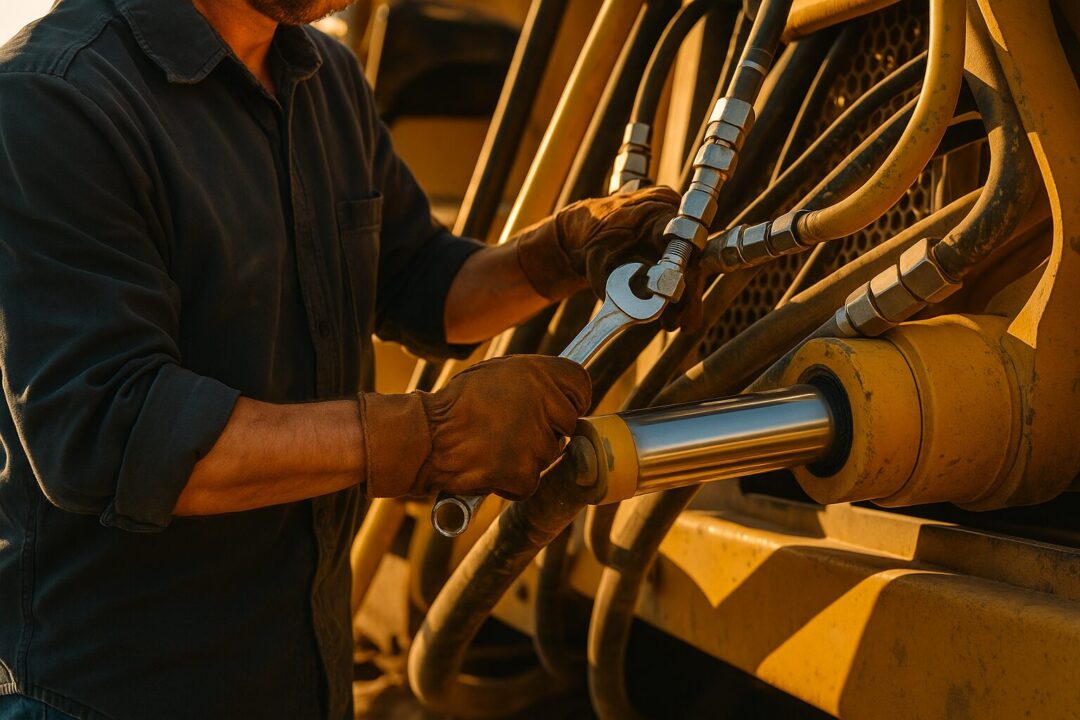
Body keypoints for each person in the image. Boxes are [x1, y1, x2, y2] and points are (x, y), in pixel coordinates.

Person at [0, 0, 694, 717]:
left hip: (299, 682)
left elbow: (420, 280)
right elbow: (117, 435)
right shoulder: (56, 97)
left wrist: (559, 255)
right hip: (108, 697)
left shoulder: (321, 75)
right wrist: (432, 437)